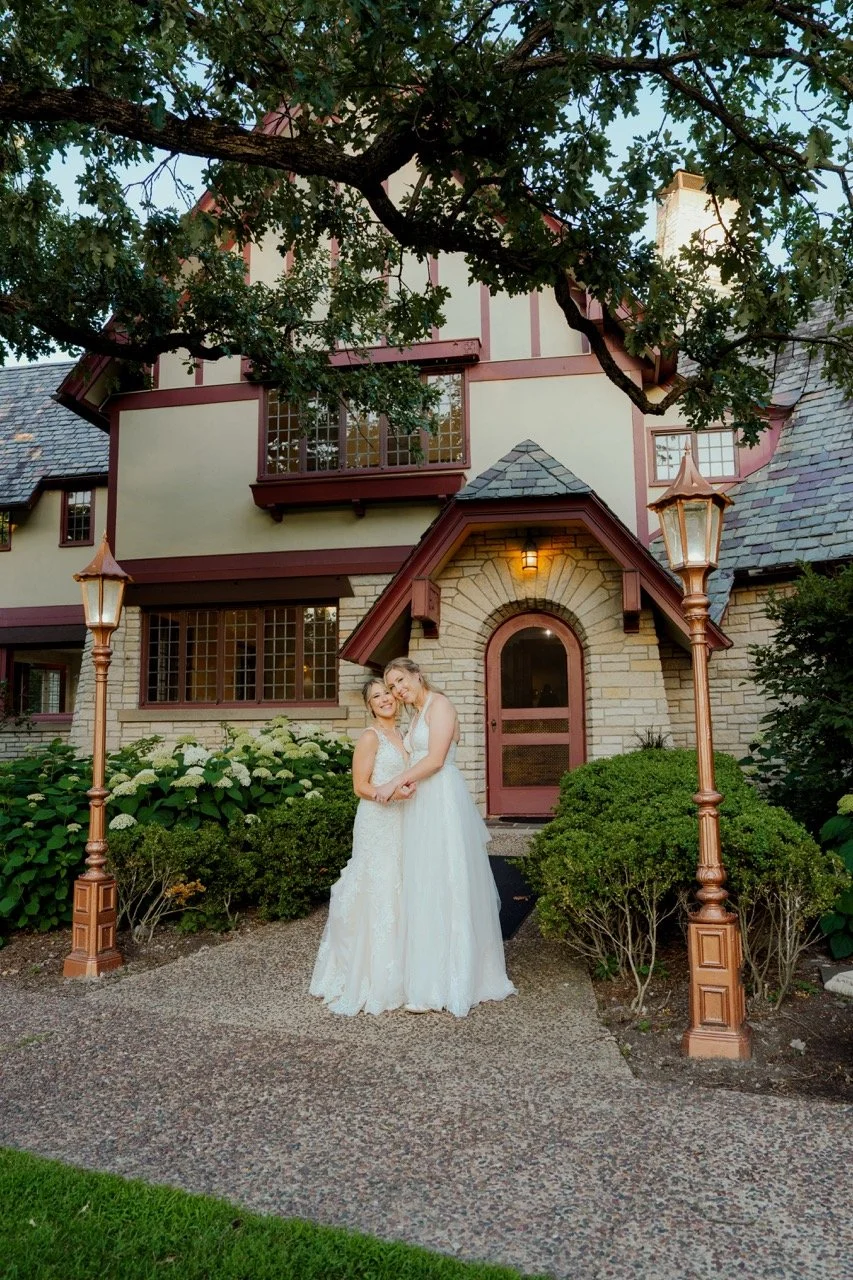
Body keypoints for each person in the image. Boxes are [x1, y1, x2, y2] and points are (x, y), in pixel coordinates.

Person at [375, 657, 516, 1017]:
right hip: (420, 802)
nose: (397, 689)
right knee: (424, 883)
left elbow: (436, 759)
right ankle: (427, 975)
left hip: (440, 800)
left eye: (401, 680)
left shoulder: (441, 705)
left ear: (417, 676)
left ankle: (454, 979)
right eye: (391, 686)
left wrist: (395, 782)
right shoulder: (416, 713)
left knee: (446, 881)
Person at [310, 678, 414, 1015]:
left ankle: (406, 969)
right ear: (369, 706)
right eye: (376, 697)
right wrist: (392, 792)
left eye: (387, 693)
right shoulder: (371, 737)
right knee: (378, 887)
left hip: (403, 820)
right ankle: (370, 974)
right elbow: (360, 786)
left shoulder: (406, 734)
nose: (385, 699)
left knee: (401, 886)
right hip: (377, 821)